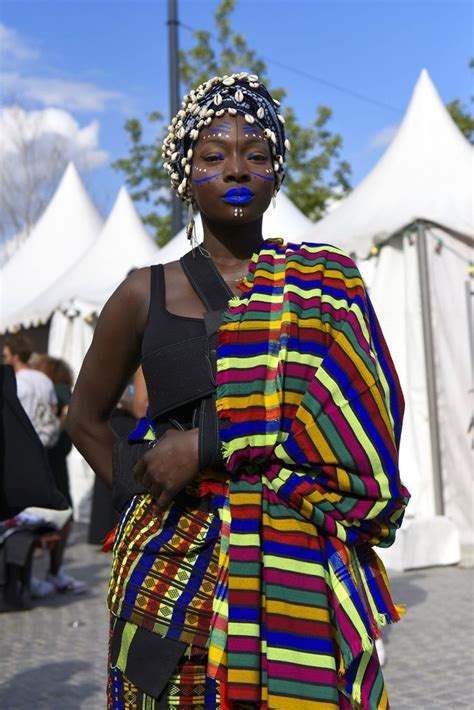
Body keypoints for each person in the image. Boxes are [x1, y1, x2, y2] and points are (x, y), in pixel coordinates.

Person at [67, 73, 410, 709]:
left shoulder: (324, 287)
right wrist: (139, 484)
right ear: (185, 175)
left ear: (276, 175)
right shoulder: (144, 292)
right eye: (213, 155)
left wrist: (208, 446)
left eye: (256, 154)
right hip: (169, 573)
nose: (237, 169)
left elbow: (366, 414)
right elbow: (82, 418)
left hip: (293, 558)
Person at [2, 337, 86, 597]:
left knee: (19, 520)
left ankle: (23, 580)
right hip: (47, 451)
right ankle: (51, 572)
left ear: (14, 355)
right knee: (52, 515)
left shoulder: (20, 382)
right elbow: (54, 414)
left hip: (20, 456)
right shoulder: (44, 381)